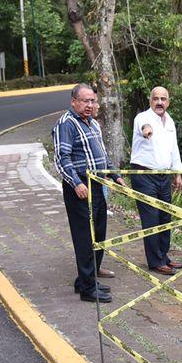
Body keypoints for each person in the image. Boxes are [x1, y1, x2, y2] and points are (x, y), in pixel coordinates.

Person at [52, 83, 121, 302]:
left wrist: (115, 175)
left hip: (97, 183)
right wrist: (75, 183)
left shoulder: (92, 124)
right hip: (80, 186)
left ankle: (86, 279)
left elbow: (102, 155)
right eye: (85, 101)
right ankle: (87, 290)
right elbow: (62, 158)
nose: (89, 105)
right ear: (74, 101)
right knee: (84, 236)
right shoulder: (66, 124)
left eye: (92, 101)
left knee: (99, 232)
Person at [129, 85, 182, 274]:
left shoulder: (170, 121)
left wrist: (177, 174)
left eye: (163, 99)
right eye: (156, 99)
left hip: (163, 176)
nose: (159, 102)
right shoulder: (143, 118)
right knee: (151, 218)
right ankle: (155, 262)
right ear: (150, 101)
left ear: (168, 102)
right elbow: (145, 127)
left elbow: (173, 149)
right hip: (143, 175)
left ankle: (164, 256)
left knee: (165, 216)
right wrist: (147, 132)